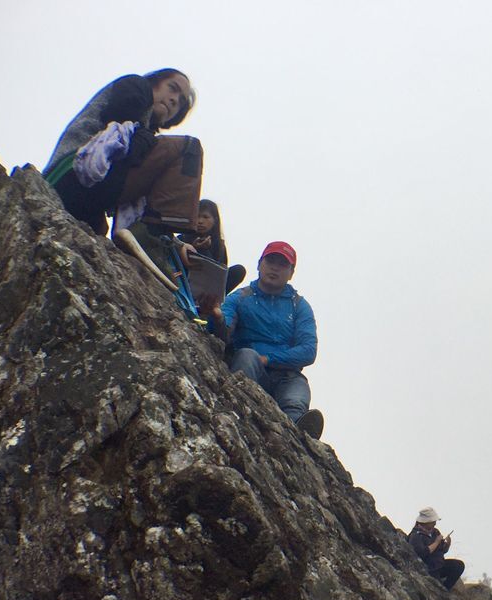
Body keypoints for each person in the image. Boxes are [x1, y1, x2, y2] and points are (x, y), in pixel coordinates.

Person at [44, 69, 202, 237]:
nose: (174, 100)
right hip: (73, 170)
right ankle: (154, 234)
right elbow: (126, 139)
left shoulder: (146, 130)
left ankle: (159, 237)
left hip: (81, 194)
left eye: (180, 102)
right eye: (172, 88)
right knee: (189, 148)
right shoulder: (136, 87)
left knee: (99, 235)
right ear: (155, 82)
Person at [205, 241, 323, 439]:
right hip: (251, 368)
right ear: (259, 264)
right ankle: (237, 409)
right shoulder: (241, 297)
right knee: (247, 356)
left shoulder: (299, 306)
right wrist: (216, 316)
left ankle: (297, 434)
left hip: (287, 376)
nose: (275, 268)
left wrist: (268, 359)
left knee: (296, 397)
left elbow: (308, 350)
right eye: (270, 261)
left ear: (291, 272)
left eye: (282, 264)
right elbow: (222, 332)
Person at [178, 199, 246, 294]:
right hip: (185, 281)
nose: (200, 221)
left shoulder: (219, 246)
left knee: (239, 270)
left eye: (205, 217)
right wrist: (193, 248)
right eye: (197, 216)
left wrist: (206, 250)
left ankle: (213, 302)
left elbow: (220, 274)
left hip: (211, 289)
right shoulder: (182, 238)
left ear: (215, 220)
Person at [407, 507, 465, 590]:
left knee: (458, 565)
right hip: (429, 569)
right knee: (436, 584)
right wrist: (436, 542)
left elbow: (442, 550)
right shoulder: (415, 536)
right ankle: (441, 591)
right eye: (433, 521)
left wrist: (448, 543)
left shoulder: (435, 532)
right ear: (426, 522)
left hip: (440, 565)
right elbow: (421, 553)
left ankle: (446, 589)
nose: (435, 523)